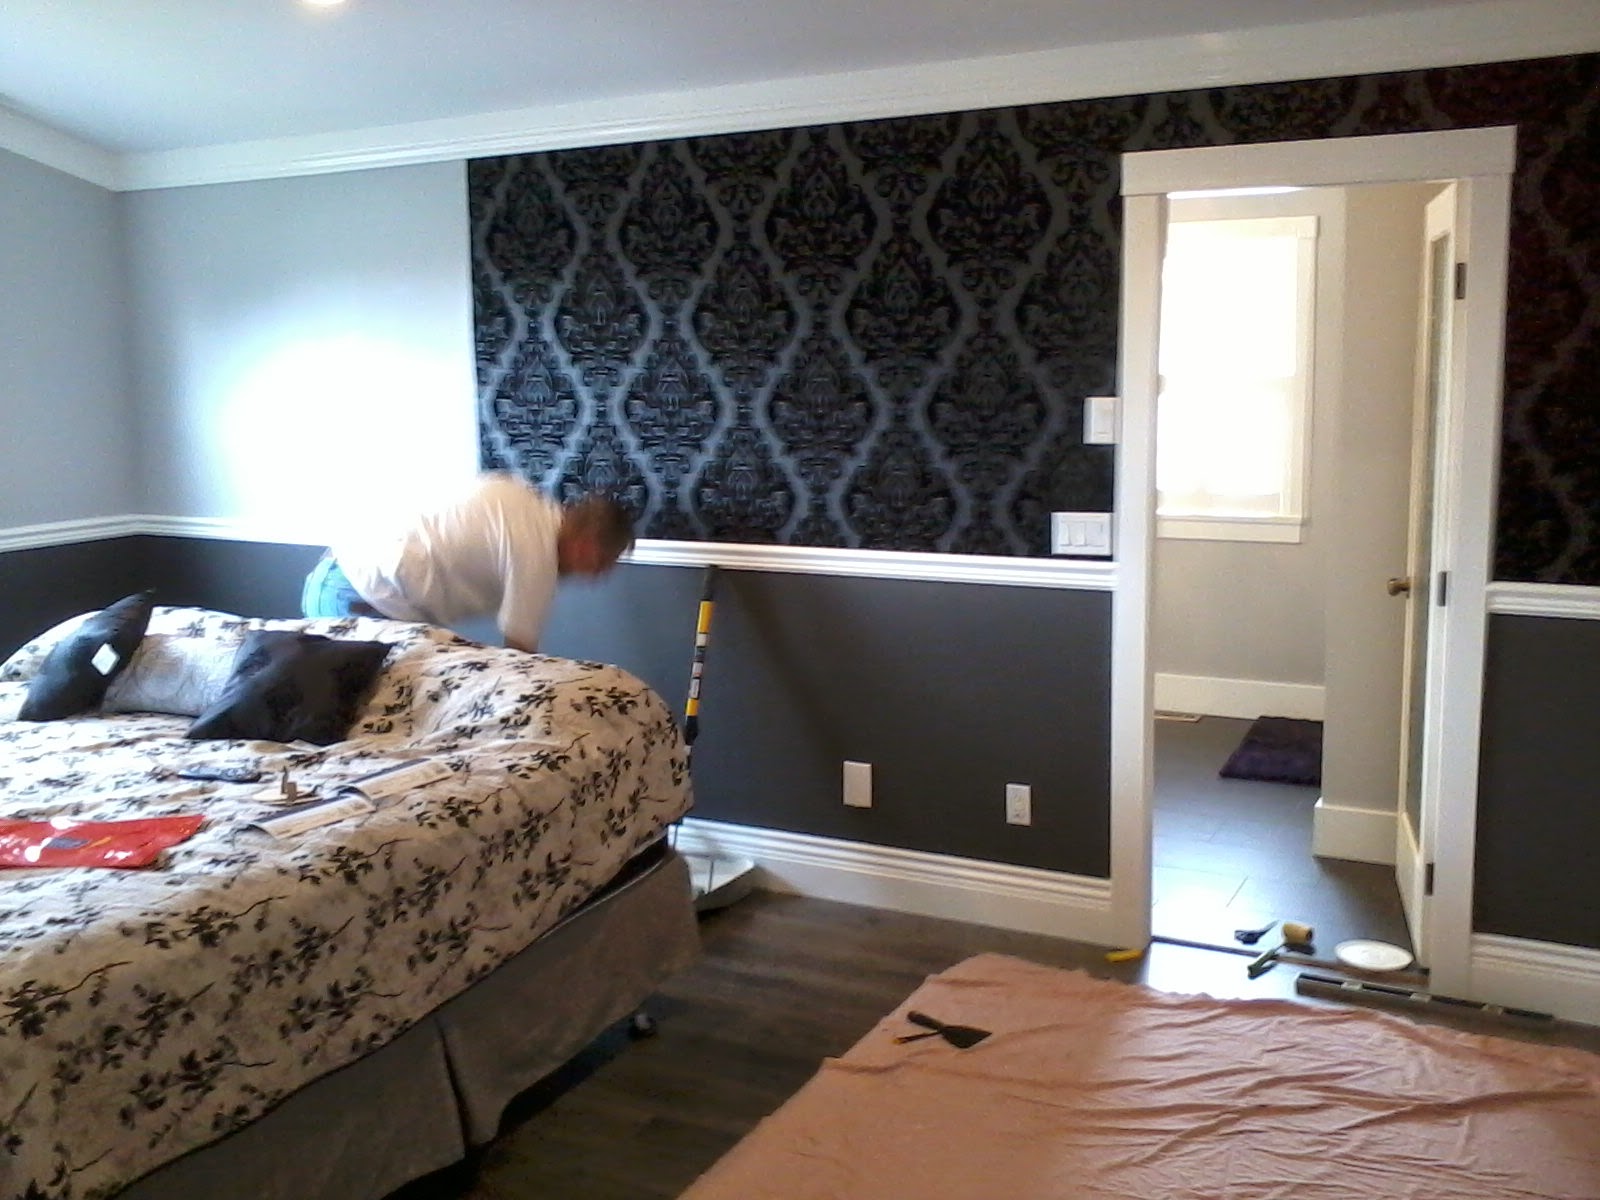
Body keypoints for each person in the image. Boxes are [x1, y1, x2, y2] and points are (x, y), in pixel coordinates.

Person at [301, 472, 634, 653]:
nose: (598, 577)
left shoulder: (520, 496)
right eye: (603, 563)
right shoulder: (537, 555)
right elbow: (519, 657)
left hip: (336, 575)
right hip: (361, 599)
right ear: (586, 545)